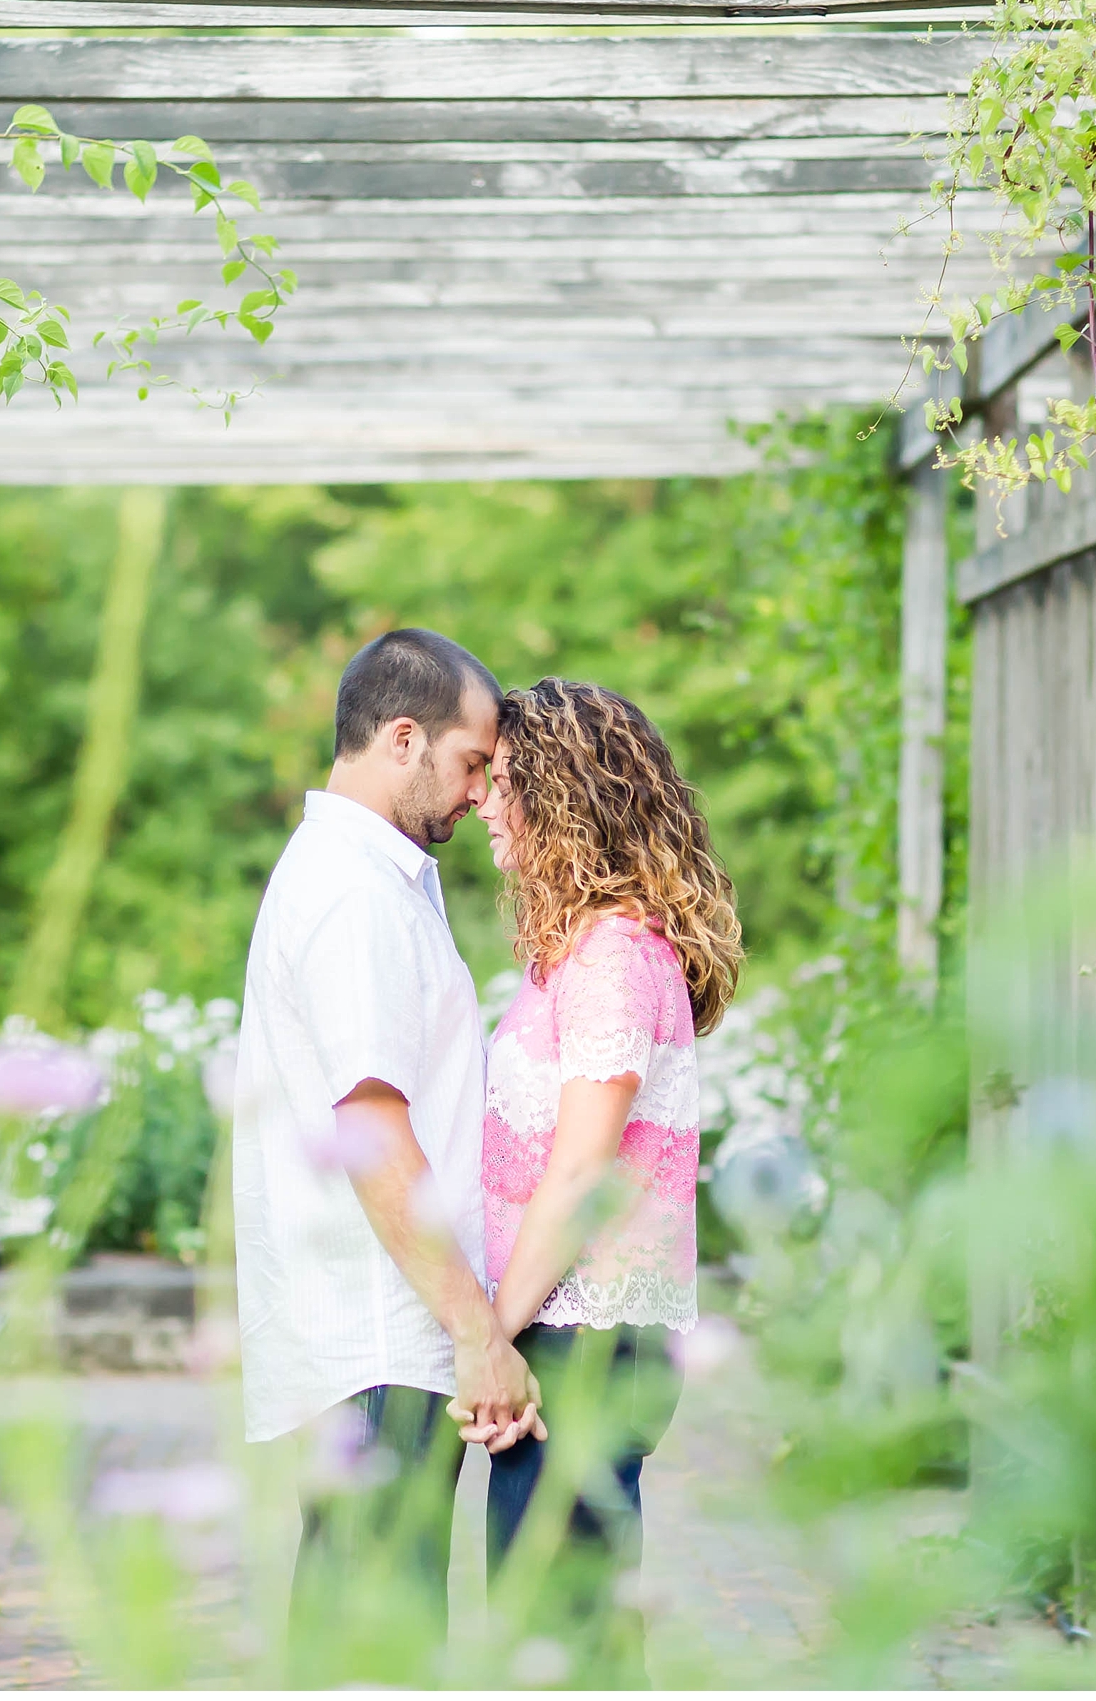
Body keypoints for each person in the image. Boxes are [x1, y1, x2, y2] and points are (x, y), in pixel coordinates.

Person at [227, 626, 543, 1687]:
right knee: (376, 1638)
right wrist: (475, 1332)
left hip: (387, 1319)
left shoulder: (383, 877)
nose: (481, 793)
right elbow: (373, 1132)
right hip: (383, 1326)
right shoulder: (353, 895)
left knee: (367, 1625)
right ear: (403, 740)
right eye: (470, 765)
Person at [463, 676, 744, 1685]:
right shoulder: (575, 953)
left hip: (588, 1337)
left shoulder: (617, 957)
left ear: (565, 792)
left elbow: (581, 1170)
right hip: (568, 1328)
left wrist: (487, 1335)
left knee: (563, 1644)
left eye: (503, 782)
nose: (485, 803)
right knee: (554, 1635)